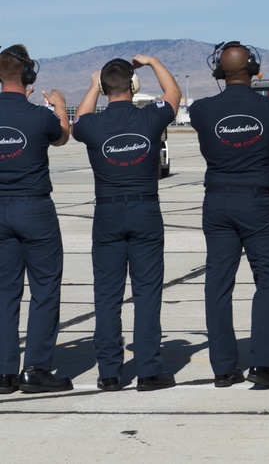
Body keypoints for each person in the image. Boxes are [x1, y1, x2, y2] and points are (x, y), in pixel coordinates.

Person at [190, 41, 269, 389]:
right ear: (253, 70)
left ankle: (224, 368)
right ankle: (264, 365)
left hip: (217, 201)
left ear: (219, 72)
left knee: (218, 285)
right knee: (268, 280)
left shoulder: (201, 109)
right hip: (256, 202)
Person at [73, 56, 182, 392]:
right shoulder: (150, 117)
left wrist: (94, 85)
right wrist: (152, 62)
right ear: (133, 88)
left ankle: (109, 372)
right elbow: (173, 92)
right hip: (144, 211)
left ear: (105, 89)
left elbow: (78, 119)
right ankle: (149, 370)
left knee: (107, 296)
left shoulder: (92, 126)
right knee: (147, 293)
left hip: (107, 214)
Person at [0, 44, 72, 395]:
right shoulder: (39, 116)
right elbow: (61, 137)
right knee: (44, 289)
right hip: (34, 209)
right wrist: (59, 108)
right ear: (28, 76)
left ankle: (4, 372)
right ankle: (37, 369)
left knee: (4, 291)